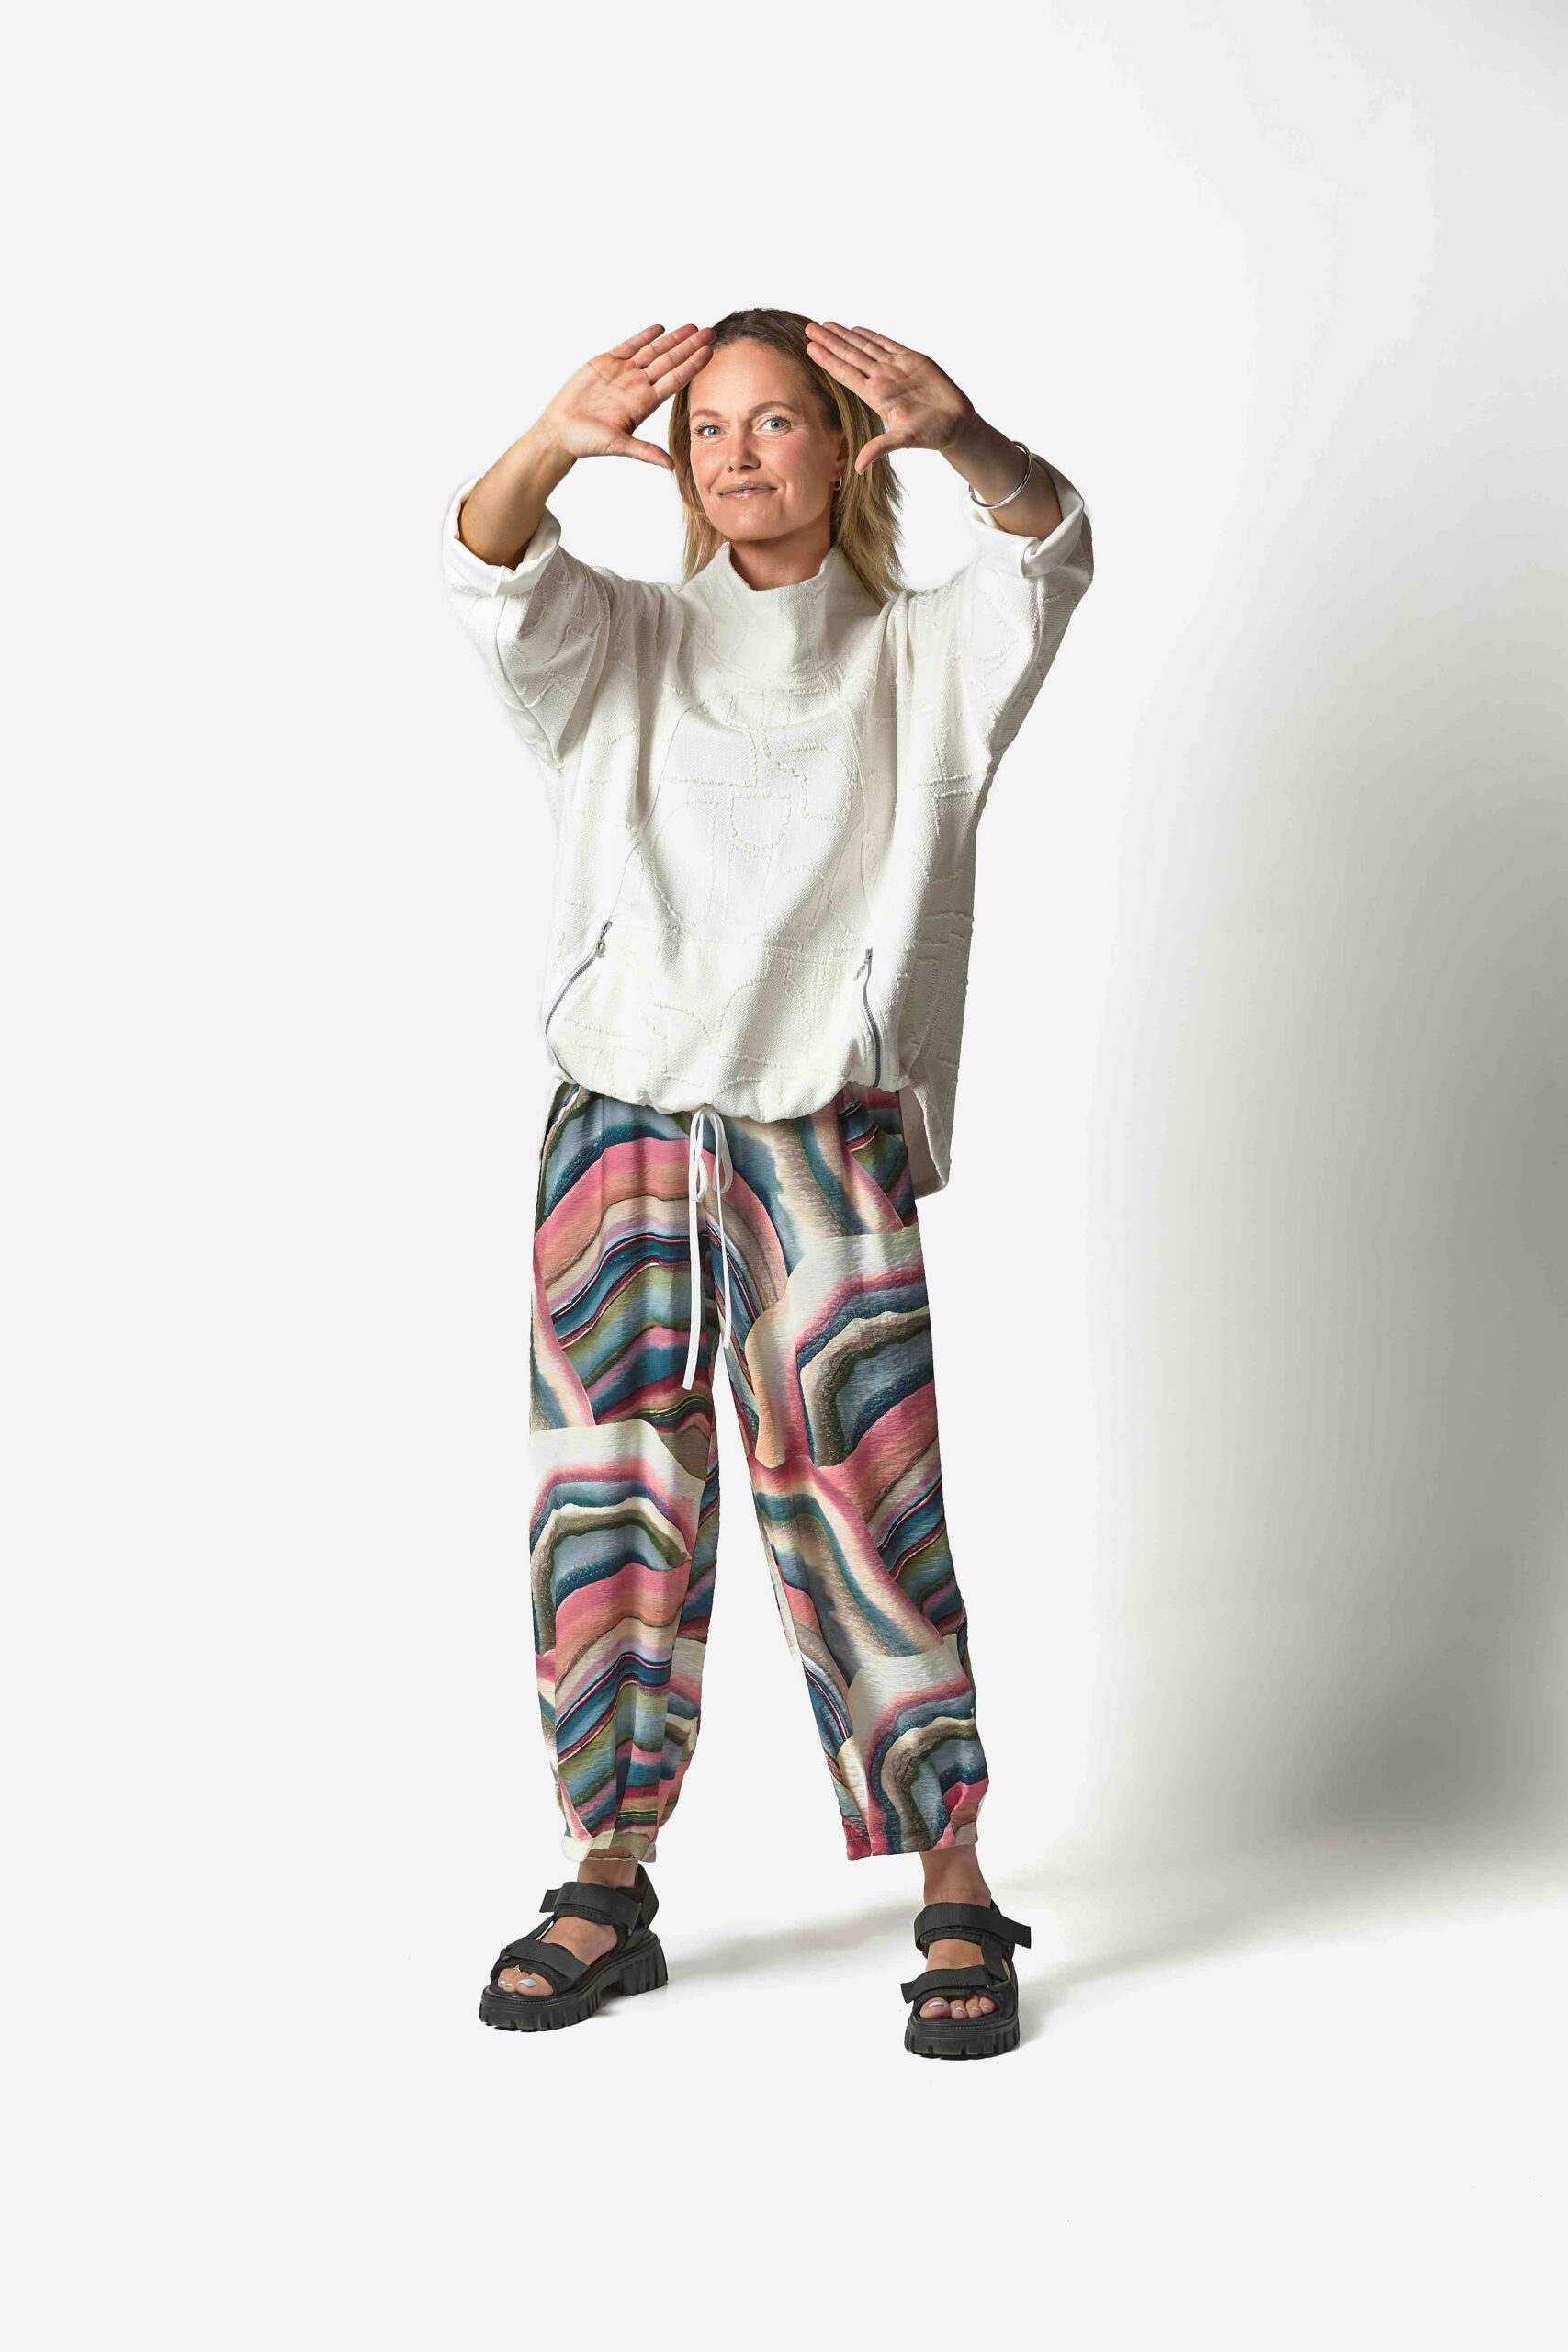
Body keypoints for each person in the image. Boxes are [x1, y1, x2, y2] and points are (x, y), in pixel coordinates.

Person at [440, 310, 1095, 2057]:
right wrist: (551, 434)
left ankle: (955, 1881)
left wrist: (970, 433)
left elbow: (1050, 550)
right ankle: (607, 1874)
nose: (739, 454)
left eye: (778, 421)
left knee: (870, 1502)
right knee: (605, 1503)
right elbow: (490, 567)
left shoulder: (921, 651)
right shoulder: (627, 639)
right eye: (710, 428)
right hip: (620, 1122)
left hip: (819, 1123)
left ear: (843, 442)